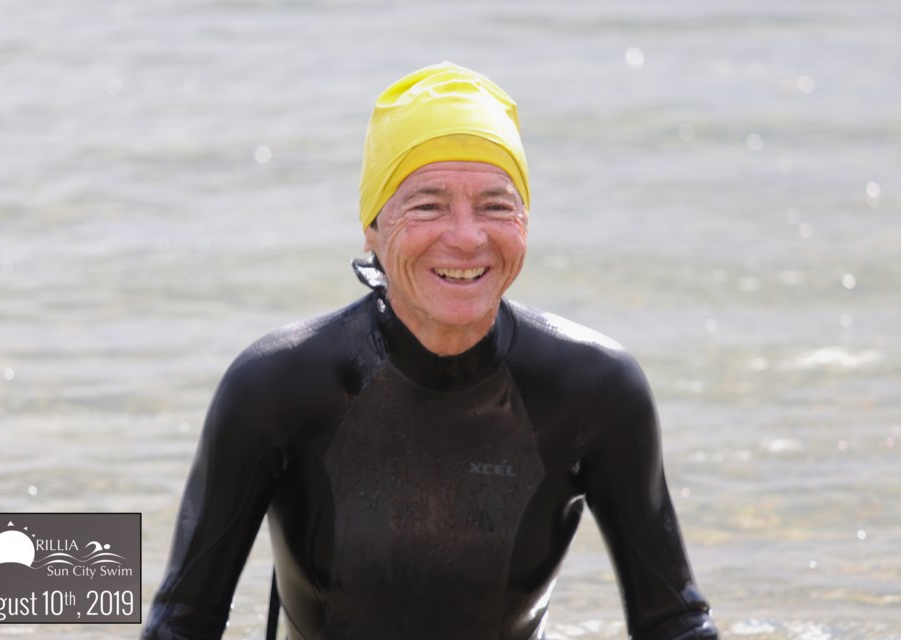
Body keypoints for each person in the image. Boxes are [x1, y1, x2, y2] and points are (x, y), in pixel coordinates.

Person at [142, 61, 719, 640]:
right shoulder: (278, 386)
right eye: (427, 205)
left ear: (526, 221)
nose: (467, 237)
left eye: (496, 205)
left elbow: (674, 624)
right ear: (372, 226)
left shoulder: (593, 389)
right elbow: (183, 623)